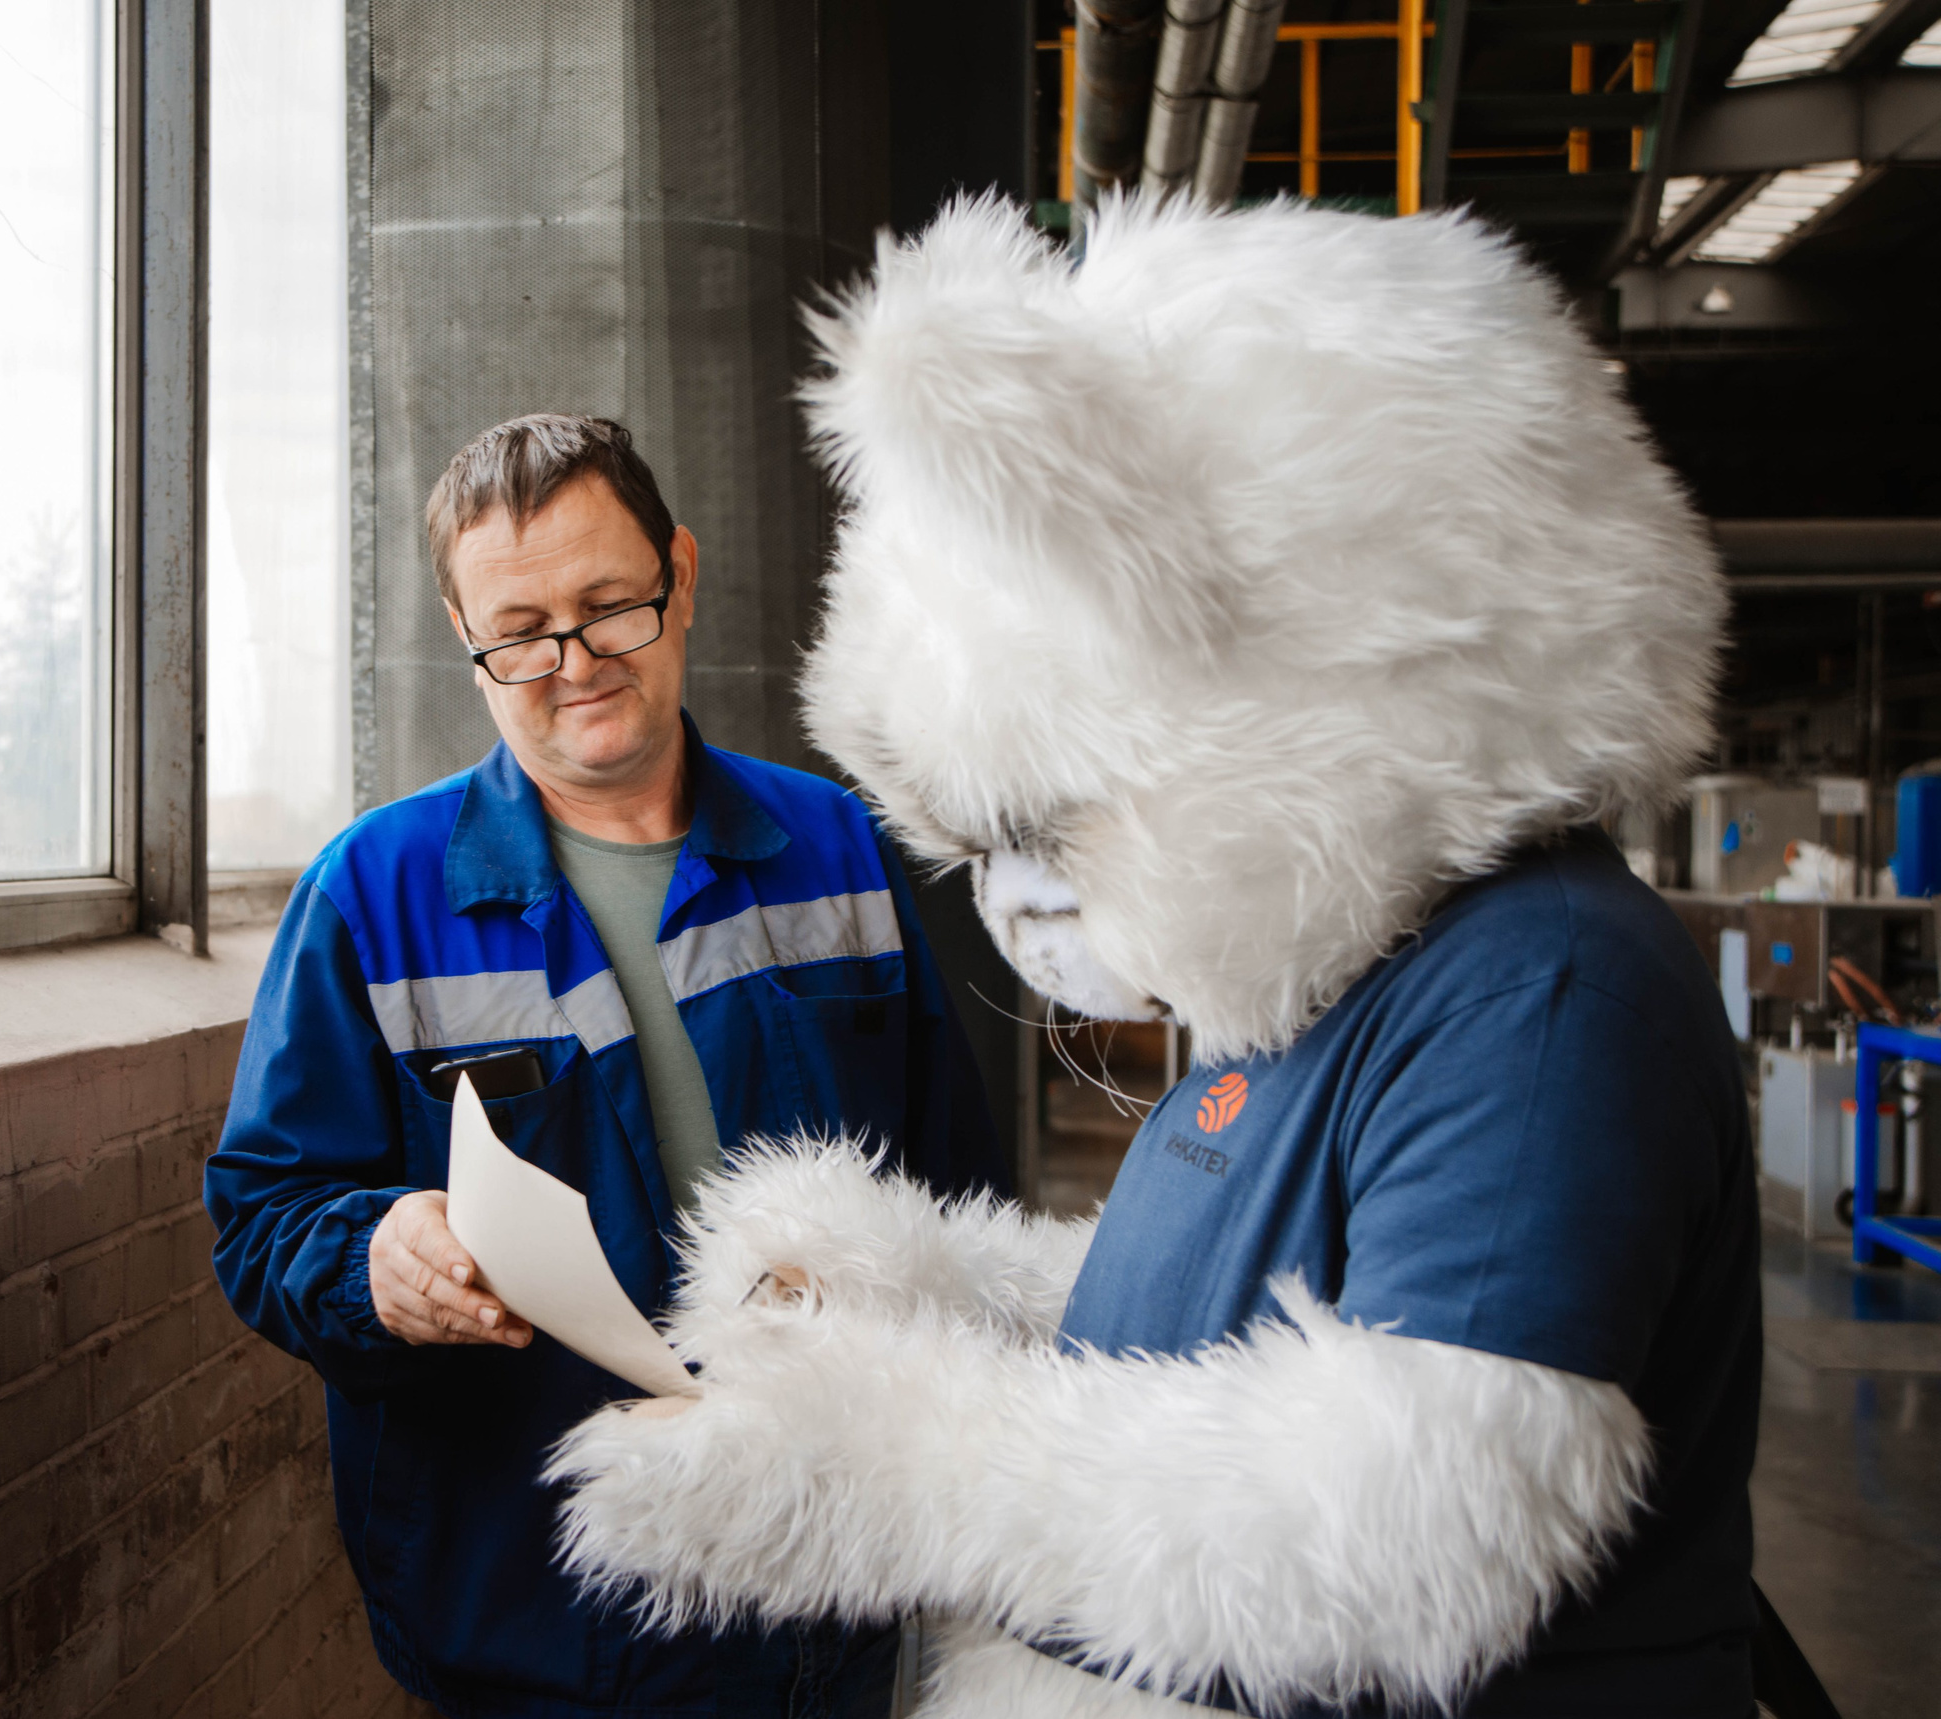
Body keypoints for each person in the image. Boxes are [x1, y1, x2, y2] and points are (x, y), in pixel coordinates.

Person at [549, 200, 1763, 1717]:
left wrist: (881, 1465)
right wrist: (925, 1292)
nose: (1021, 916)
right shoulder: (1332, 958)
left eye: (1051, 827)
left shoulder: (1541, 999)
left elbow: (1386, 1536)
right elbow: (1219, 1306)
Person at [206, 413, 1005, 1719]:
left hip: (838, 1573)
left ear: (679, 577)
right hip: (545, 1622)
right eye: (519, 631)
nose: (572, 663)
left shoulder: (835, 844)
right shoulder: (369, 897)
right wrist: (374, 1256)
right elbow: (264, 1215)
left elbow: (961, 1184)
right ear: (467, 640)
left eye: (608, 607)